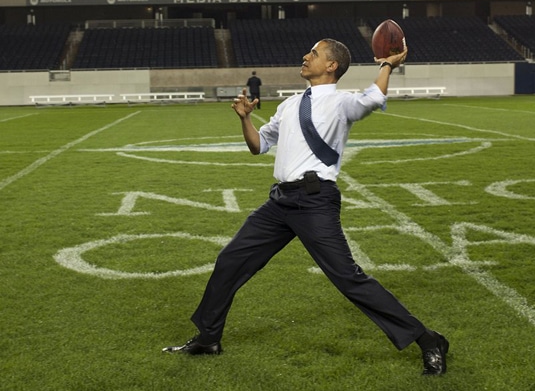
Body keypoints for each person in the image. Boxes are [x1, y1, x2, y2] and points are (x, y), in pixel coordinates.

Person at [163, 39, 449, 376]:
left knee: (348, 279)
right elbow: (259, 146)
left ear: (331, 66)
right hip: (280, 201)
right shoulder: (289, 104)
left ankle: (428, 340)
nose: (305, 56)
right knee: (230, 260)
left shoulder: (342, 103)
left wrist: (387, 65)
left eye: (313, 53)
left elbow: (374, 98)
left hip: (315, 201)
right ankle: (208, 338)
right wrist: (245, 119)